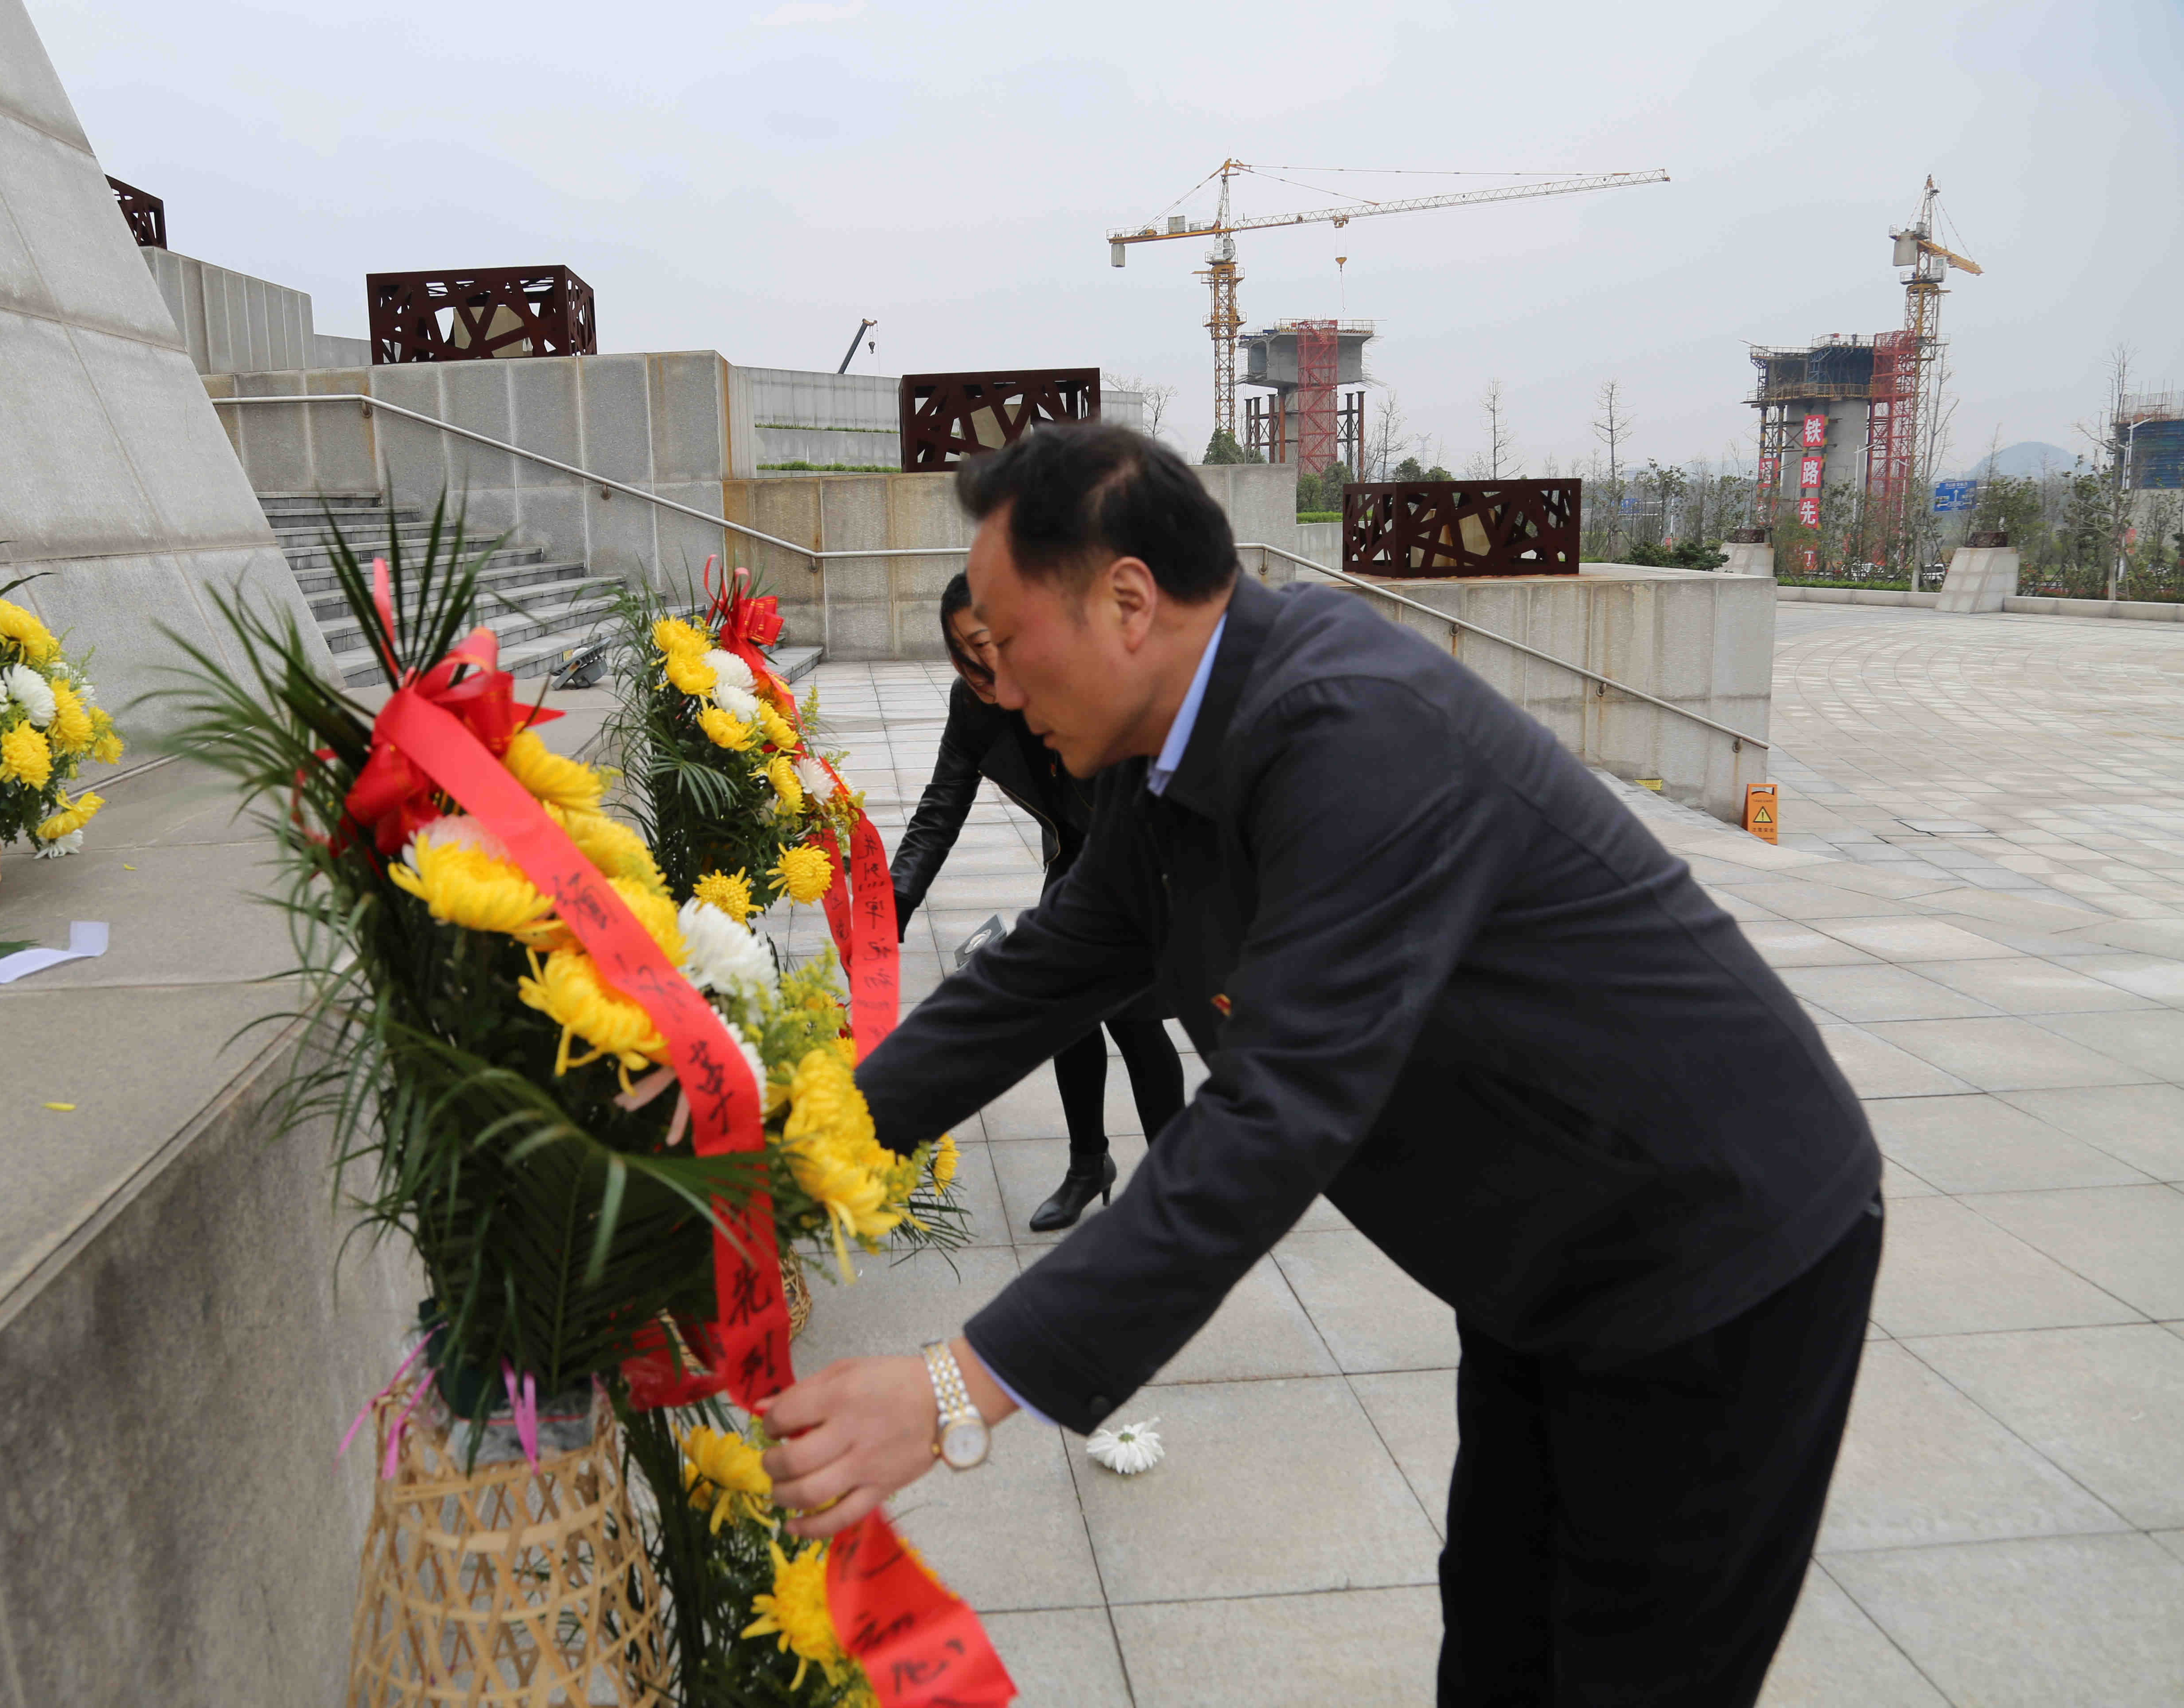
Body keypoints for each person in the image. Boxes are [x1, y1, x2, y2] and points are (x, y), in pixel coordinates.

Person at [760, 423, 1883, 1705]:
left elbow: (1273, 1116)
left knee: (1629, 1672)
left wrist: (950, 1391)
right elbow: (1038, 977)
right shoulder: (1161, 753)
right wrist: (776, 1154)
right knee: (1501, 1645)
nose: (1000, 692)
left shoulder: (1353, 726)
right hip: (1544, 1259)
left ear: (1127, 601)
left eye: (1009, 644)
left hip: (1713, 1251)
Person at [887, 573, 1185, 1231]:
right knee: (1066, 1019)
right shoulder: (974, 706)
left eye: (991, 640)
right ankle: (1088, 1165)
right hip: (1076, 862)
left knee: (1136, 1021)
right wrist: (896, 897)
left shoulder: (1085, 674)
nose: (983, 660)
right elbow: (943, 802)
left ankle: (1176, 1191)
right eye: (967, 647)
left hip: (1138, 860)